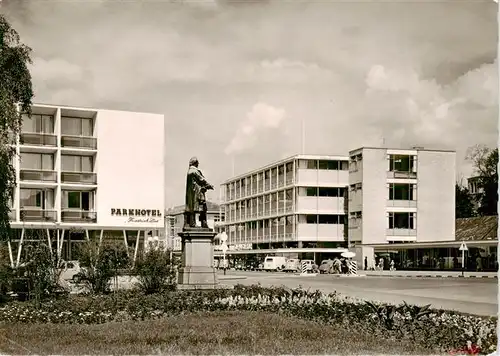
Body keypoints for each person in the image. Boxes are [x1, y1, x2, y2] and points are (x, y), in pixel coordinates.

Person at [184, 157, 214, 229]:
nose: (198, 164)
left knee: (192, 208)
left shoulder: (189, 171)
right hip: (198, 192)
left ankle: (192, 223)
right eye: (198, 163)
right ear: (195, 163)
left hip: (191, 193)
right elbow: (202, 179)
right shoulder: (195, 171)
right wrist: (209, 185)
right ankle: (203, 223)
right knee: (202, 207)